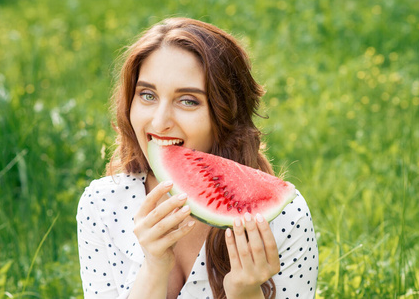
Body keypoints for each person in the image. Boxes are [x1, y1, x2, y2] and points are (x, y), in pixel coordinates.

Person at [77, 17, 318, 299]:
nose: (160, 121)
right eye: (147, 95)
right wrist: (155, 268)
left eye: (188, 100)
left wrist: (246, 293)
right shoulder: (101, 205)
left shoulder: (284, 217)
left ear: (225, 113)